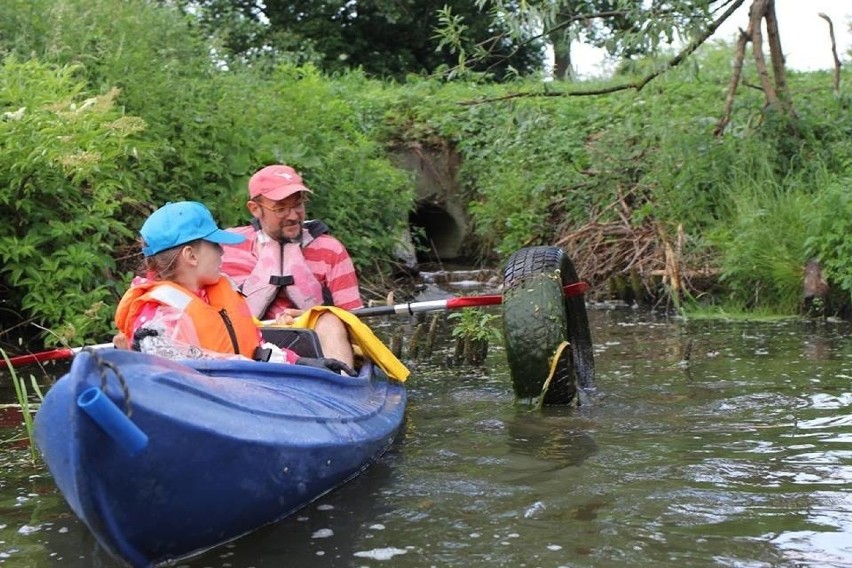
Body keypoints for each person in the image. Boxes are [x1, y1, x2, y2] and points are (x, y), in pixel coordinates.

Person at [113, 201, 355, 374]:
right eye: (215, 245)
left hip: (244, 392)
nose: (222, 251)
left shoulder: (216, 291)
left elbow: (256, 351)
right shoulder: (160, 317)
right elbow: (185, 380)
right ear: (191, 256)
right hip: (213, 408)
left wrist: (300, 363)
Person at [221, 164, 361, 366]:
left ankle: (341, 381)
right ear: (255, 209)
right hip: (248, 345)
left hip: (315, 347)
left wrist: (311, 315)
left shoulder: (331, 250)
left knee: (330, 322)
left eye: (298, 205)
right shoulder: (228, 246)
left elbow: (357, 324)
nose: (294, 216)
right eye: (281, 209)